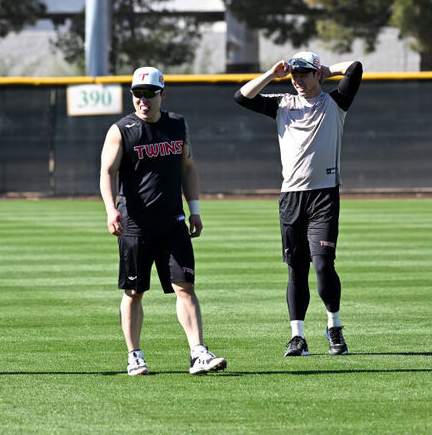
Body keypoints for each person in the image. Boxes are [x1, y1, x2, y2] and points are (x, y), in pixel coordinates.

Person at [99, 66, 227, 376]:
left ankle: (198, 353)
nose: (143, 100)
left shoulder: (177, 125)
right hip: (135, 224)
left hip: (172, 221)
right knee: (134, 292)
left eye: (149, 94)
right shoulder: (122, 130)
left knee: (185, 286)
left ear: (162, 94)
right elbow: (107, 172)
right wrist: (110, 209)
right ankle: (134, 355)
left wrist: (194, 209)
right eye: (137, 94)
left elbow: (188, 167)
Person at [234, 51, 363, 356]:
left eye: (304, 74)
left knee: (322, 264)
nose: (298, 81)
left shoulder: (334, 103)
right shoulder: (283, 103)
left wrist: (326, 69)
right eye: (294, 75)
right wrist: (271, 74)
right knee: (296, 269)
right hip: (291, 197)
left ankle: (334, 328)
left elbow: (355, 69)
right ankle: (298, 337)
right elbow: (241, 96)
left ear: (317, 75)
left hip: (324, 195)